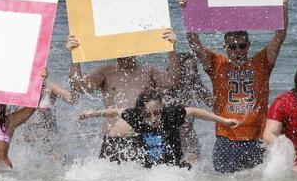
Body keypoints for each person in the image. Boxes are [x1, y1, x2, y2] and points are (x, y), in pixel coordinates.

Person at [180, 0, 289, 173]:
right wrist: (187, 11)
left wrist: (284, 6)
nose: (237, 50)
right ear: (225, 48)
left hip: (256, 141)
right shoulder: (217, 65)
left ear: (248, 45)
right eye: (232, 47)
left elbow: (280, 35)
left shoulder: (261, 63)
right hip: (226, 141)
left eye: (241, 46)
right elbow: (194, 42)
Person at [67, 29, 180, 157]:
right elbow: (78, 87)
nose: (124, 55)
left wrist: (171, 48)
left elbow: (172, 81)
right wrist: (75, 57)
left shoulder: (148, 71)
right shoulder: (106, 71)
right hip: (113, 140)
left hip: (142, 138)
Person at [80, 89, 238, 168]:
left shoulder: (170, 114)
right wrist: (91, 113)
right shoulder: (136, 116)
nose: (154, 117)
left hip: (175, 169)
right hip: (151, 171)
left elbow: (195, 111)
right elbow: (116, 111)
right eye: (148, 114)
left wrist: (223, 121)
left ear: (162, 107)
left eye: (157, 112)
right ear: (141, 112)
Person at [165, 52, 213, 165]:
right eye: (186, 69)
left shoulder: (197, 89)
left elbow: (217, 107)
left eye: (193, 69)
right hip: (171, 141)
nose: (190, 73)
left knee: (193, 174)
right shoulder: (165, 92)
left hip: (191, 141)